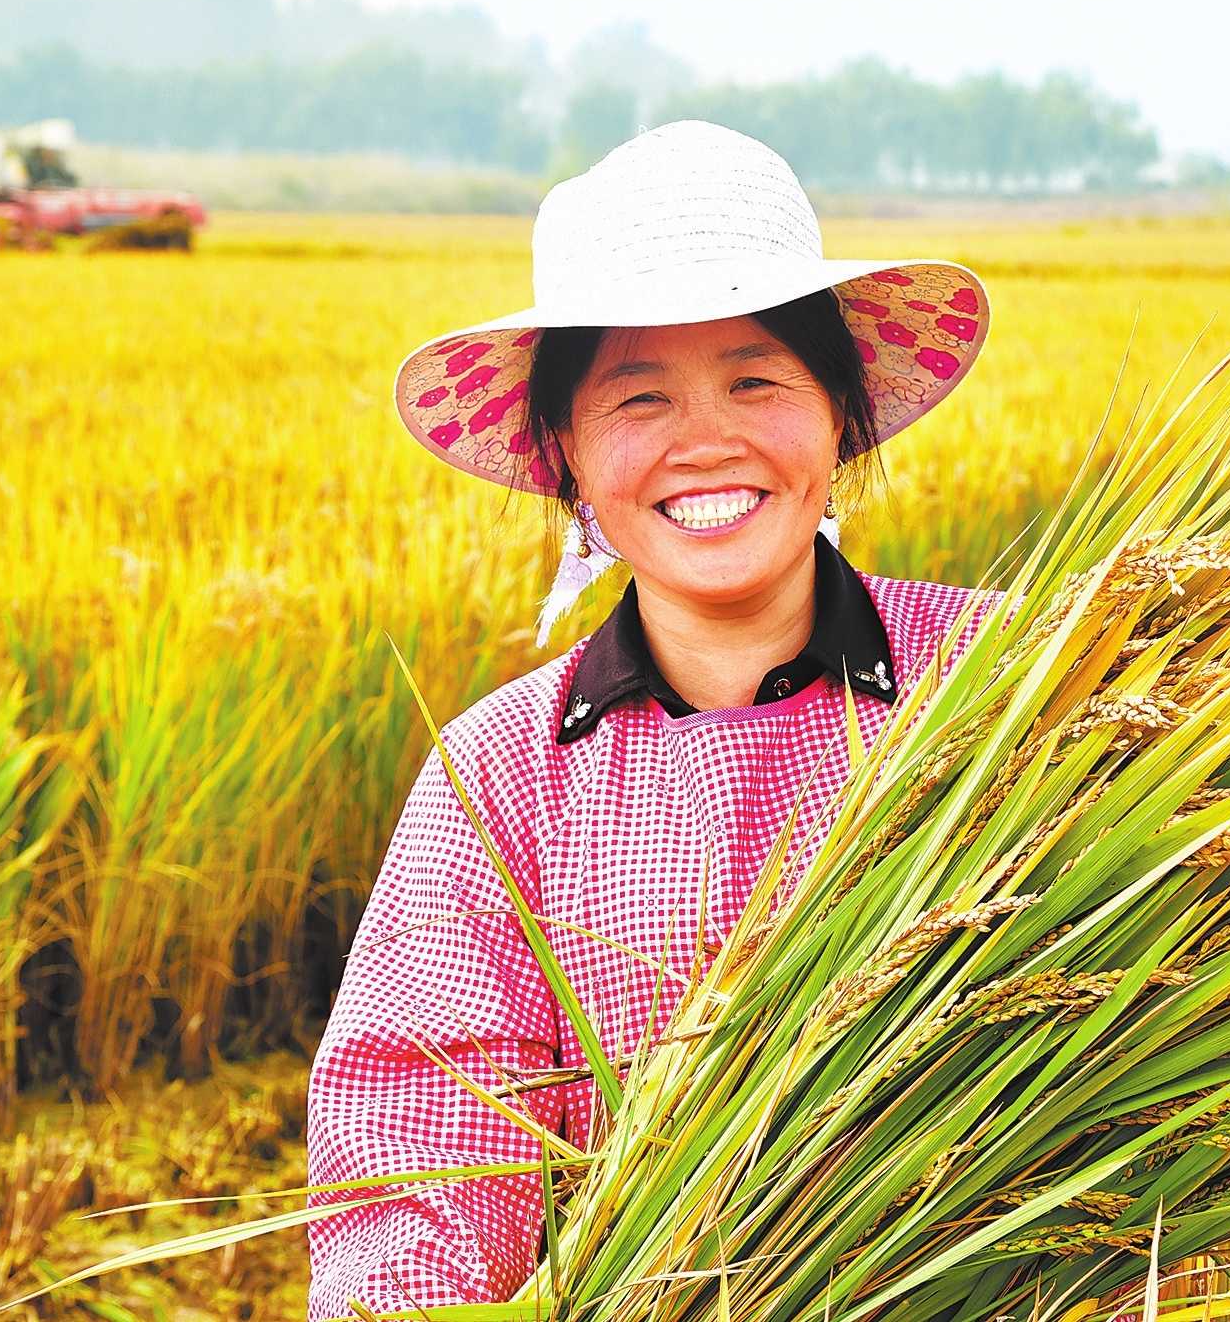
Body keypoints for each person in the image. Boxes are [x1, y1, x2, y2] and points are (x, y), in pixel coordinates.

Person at [305, 120, 1001, 1320]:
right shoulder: (506, 775)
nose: (706, 441)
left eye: (756, 380)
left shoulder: (1005, 677)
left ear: (839, 414)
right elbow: (419, 1141)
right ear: (567, 455)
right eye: (639, 397)